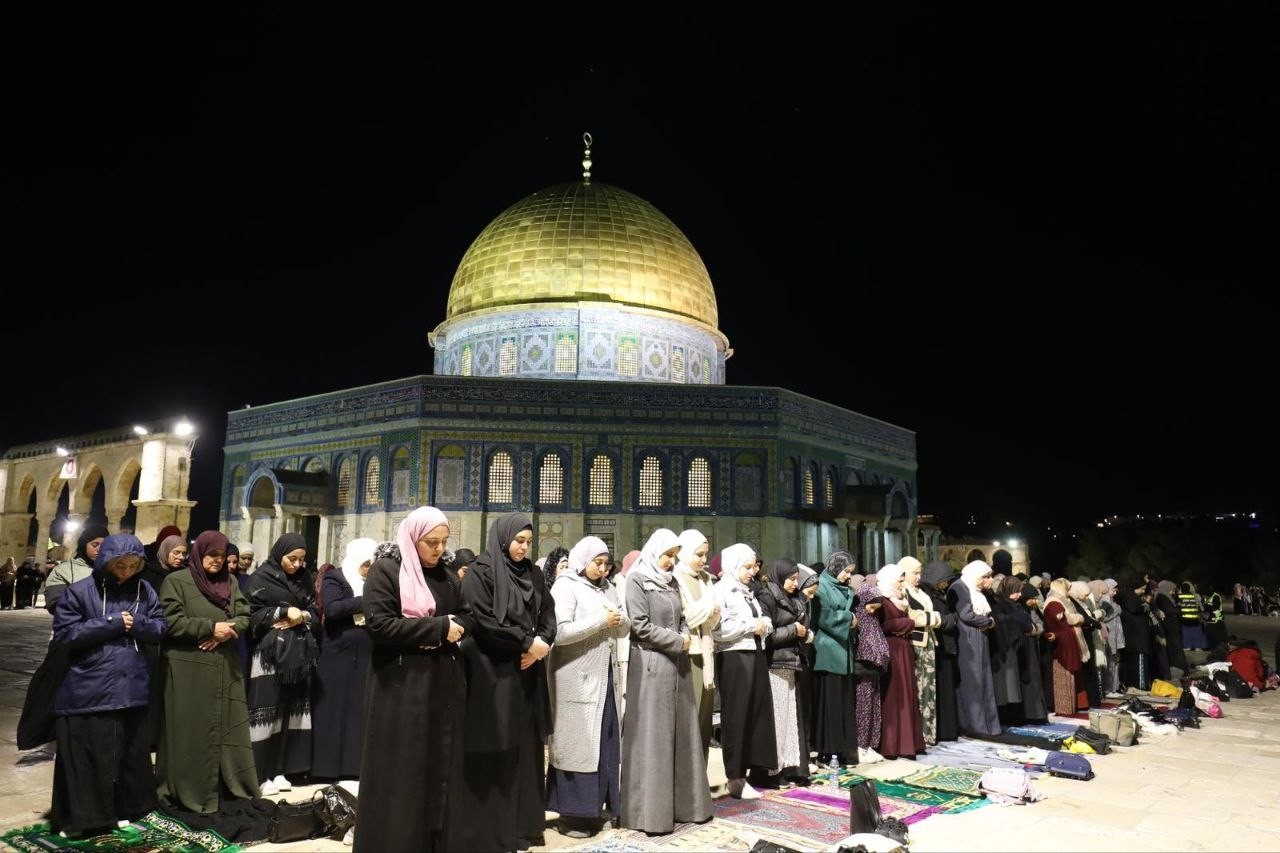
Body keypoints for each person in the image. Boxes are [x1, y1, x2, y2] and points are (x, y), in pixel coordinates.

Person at [355, 507, 474, 852]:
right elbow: (379, 625)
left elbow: (467, 616)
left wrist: (451, 629)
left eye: (444, 542)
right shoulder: (386, 571)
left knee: (439, 766)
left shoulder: (447, 575)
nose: (439, 549)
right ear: (413, 537)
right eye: (431, 542)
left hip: (442, 684)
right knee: (402, 768)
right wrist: (438, 628)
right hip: (399, 688)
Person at [50, 534, 164, 836]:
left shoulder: (145, 590)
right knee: (90, 758)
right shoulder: (80, 591)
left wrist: (136, 623)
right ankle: (85, 818)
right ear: (105, 563)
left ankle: (122, 809)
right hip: (88, 688)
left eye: (133, 566)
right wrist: (111, 623)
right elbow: (66, 634)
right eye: (120, 566)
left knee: (124, 756)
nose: (126, 572)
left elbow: (159, 627)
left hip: (131, 688)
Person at [456, 513, 557, 852]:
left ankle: (523, 826)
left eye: (529, 542)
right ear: (503, 538)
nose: (524, 548)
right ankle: (493, 829)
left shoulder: (534, 574)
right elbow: (482, 621)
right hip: (492, 673)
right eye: (519, 541)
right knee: (496, 746)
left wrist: (542, 644)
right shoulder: (480, 573)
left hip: (527, 672)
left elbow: (548, 614)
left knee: (526, 749)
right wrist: (525, 643)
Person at [156, 530, 258, 812]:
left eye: (222, 556)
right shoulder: (176, 581)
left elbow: (244, 615)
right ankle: (190, 790)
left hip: (225, 665)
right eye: (212, 555)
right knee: (190, 731)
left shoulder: (230, 582)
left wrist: (225, 632)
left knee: (226, 728)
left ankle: (225, 788)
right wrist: (210, 628)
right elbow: (171, 622)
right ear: (199, 554)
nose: (217, 560)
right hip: (188, 670)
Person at [619, 528, 713, 835]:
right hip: (651, 667)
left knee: (682, 736)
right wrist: (678, 641)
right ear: (653, 552)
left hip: (678, 665)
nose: (671, 562)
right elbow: (640, 626)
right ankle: (651, 815)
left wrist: (684, 636)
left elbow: (683, 616)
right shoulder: (637, 580)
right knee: (655, 739)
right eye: (667, 555)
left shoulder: (671, 582)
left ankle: (686, 807)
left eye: (674, 556)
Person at [546, 536, 629, 838]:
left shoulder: (608, 588)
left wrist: (620, 620)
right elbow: (560, 632)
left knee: (604, 744)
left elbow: (623, 626)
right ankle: (572, 817)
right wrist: (601, 621)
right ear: (582, 560)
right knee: (578, 747)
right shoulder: (565, 586)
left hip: (605, 679)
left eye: (606, 564)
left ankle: (597, 810)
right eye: (598, 563)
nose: (604, 569)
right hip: (576, 681)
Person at [244, 532, 318, 795]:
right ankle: (259, 774)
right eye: (291, 559)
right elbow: (248, 615)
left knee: (289, 711)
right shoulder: (260, 578)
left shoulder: (305, 579)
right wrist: (282, 612)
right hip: (269, 656)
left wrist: (303, 616)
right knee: (265, 712)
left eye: (301, 560)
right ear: (279, 555)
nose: (296, 565)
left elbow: (315, 611)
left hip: (297, 655)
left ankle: (280, 769)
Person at [713, 543, 778, 797]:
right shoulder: (721, 591)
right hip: (734, 658)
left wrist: (764, 624)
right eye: (747, 567)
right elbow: (718, 630)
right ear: (733, 566)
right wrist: (752, 625)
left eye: (754, 566)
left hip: (755, 653)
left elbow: (762, 621)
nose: (753, 571)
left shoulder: (747, 592)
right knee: (737, 717)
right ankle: (735, 777)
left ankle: (749, 772)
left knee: (755, 715)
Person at [312, 538, 377, 781]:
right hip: (337, 654)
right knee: (334, 709)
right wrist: (367, 600)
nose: (369, 569)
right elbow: (333, 609)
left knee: (358, 710)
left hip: (365, 654)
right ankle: (327, 769)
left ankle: (354, 767)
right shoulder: (337, 578)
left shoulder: (373, 582)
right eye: (366, 564)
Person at [757, 557, 814, 787]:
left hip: (793, 664)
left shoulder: (794, 598)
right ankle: (773, 772)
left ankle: (790, 768)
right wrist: (793, 630)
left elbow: (803, 626)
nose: (794, 584)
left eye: (796, 579)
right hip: (775, 665)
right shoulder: (767, 597)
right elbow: (767, 635)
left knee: (790, 722)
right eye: (790, 579)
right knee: (778, 722)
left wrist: (802, 632)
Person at [672, 528, 719, 755]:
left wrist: (709, 611)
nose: (703, 559)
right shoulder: (675, 578)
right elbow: (687, 616)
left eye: (705, 554)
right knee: (689, 714)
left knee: (704, 718)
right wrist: (709, 608)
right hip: (688, 653)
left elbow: (715, 615)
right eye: (699, 554)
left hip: (706, 651)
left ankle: (701, 771)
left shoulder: (706, 579)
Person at [810, 551, 860, 766]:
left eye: (850, 572)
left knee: (842, 705)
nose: (848, 576)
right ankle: (828, 751)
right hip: (827, 653)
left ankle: (842, 751)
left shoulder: (841, 586)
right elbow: (825, 617)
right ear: (835, 568)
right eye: (846, 571)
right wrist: (849, 618)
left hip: (842, 651)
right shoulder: (821, 586)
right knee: (830, 707)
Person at [875, 564, 925, 759]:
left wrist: (905, 624)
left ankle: (908, 743)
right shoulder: (881, 599)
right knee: (893, 696)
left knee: (906, 694)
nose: (902, 584)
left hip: (903, 649)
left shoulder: (900, 599)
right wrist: (908, 623)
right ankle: (892, 745)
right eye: (899, 581)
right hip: (891, 650)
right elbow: (882, 625)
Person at [949, 561, 1000, 736]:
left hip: (979, 636)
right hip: (969, 639)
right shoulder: (960, 587)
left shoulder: (975, 590)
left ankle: (989, 725)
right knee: (973, 682)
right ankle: (975, 726)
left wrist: (989, 622)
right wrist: (988, 622)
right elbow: (967, 614)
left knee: (984, 680)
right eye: (984, 577)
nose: (987, 580)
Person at [920, 562, 961, 742]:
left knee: (947, 688)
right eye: (943, 580)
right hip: (938, 646)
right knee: (941, 689)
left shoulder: (937, 594)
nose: (945, 584)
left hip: (946, 646)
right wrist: (949, 620)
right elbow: (936, 619)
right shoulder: (927, 595)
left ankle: (948, 729)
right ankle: (943, 730)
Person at [43, 524, 109, 613]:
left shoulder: (115, 569)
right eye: (95, 545)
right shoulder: (63, 571)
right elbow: (55, 604)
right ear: (83, 545)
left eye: (104, 545)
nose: (99, 549)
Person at [141, 533, 188, 606]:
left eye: (184, 553)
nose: (181, 557)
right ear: (166, 551)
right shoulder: (150, 573)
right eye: (176, 552)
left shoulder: (184, 574)